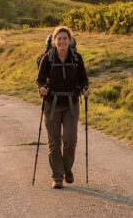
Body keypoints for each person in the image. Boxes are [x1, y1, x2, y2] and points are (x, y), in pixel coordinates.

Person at [36, 26, 90, 189]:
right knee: (54, 143)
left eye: (65, 38)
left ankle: (67, 169)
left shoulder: (76, 58)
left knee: (70, 140)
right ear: (54, 41)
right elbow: (40, 79)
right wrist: (42, 88)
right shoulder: (48, 58)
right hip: (52, 105)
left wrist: (86, 88)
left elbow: (83, 79)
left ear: (70, 40)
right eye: (59, 39)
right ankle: (57, 177)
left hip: (71, 105)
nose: (62, 41)